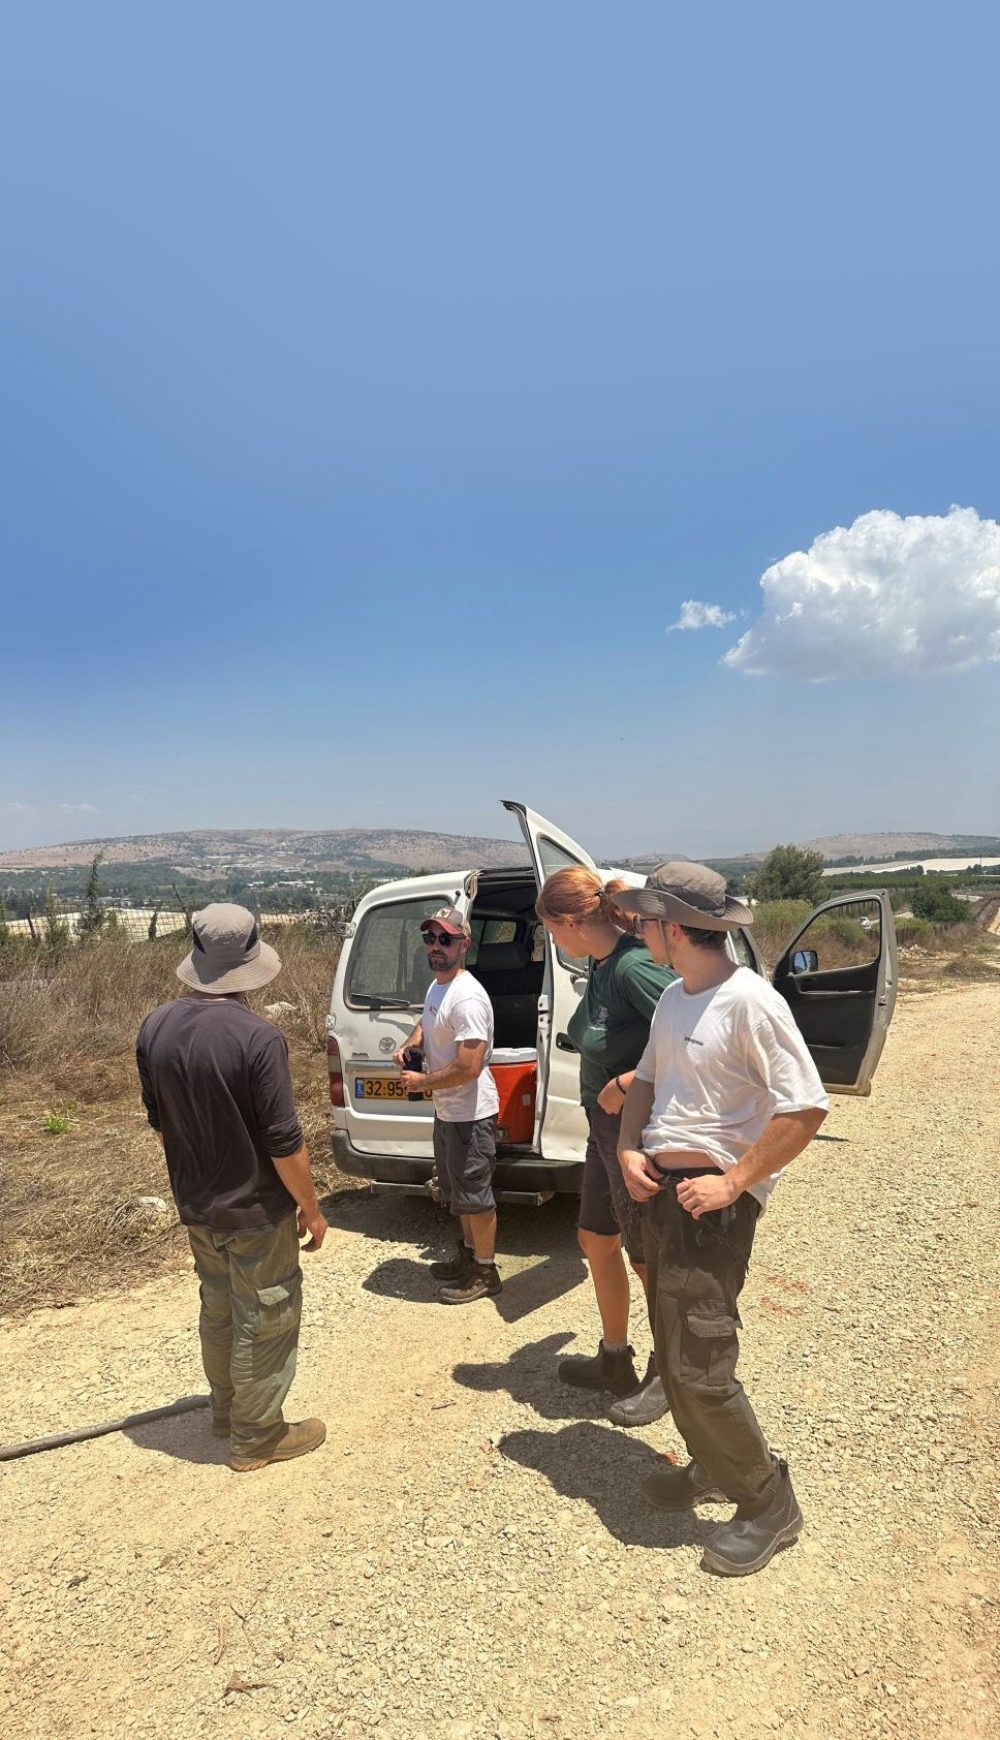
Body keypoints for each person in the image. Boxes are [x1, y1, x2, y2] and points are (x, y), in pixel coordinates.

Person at [614, 863, 828, 1577]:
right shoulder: (675, 998)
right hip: (663, 1196)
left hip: (711, 1208)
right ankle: (713, 1463)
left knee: (701, 1364)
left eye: (645, 920)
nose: (638, 930)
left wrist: (735, 1180)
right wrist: (624, 1148)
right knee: (674, 1347)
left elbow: (806, 1108)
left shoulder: (751, 1003)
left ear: (674, 928)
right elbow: (644, 1082)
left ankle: (768, 1501)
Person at [135, 903, 328, 1473]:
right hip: (254, 1210)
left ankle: (226, 1412)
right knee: (266, 1315)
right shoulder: (258, 1038)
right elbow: (284, 1143)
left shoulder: (155, 1027)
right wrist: (311, 1209)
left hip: (195, 1204)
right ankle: (258, 1434)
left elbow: (159, 1118)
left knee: (218, 1308)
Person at [535, 867, 675, 1422]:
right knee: (596, 1238)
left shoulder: (634, 966)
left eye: (551, 929)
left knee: (648, 1256)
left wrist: (627, 1082)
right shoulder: (598, 964)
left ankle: (672, 1371)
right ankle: (614, 1358)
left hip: (632, 1132)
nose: (552, 940)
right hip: (601, 1129)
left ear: (570, 922)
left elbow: (695, 1031)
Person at [396, 906, 501, 1304]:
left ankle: (486, 1271)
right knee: (458, 1193)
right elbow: (427, 1021)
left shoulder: (468, 997)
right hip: (448, 1111)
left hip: (470, 1114)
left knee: (475, 1196)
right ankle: (469, 1256)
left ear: (464, 944)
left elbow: (469, 1066)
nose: (435, 947)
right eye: (430, 938)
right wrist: (412, 1044)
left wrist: (423, 1082)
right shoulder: (439, 986)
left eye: (445, 939)